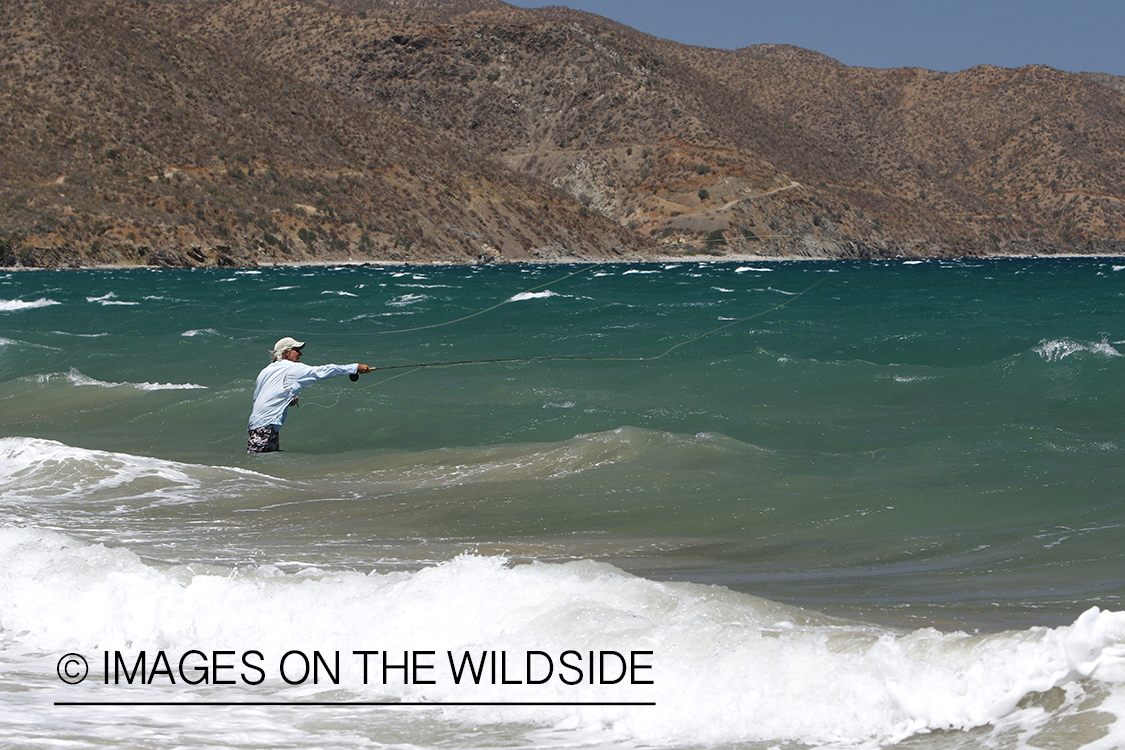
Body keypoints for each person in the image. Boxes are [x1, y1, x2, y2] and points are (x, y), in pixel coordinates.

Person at [247, 336, 373, 453]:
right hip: (266, 426)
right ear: (286, 353)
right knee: (259, 462)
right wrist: (354, 368)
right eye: (296, 350)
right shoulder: (291, 368)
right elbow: (322, 371)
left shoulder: (266, 370)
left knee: (263, 463)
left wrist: (287, 400)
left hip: (258, 424)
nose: (300, 354)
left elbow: (262, 397)